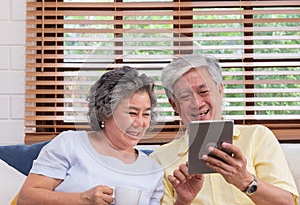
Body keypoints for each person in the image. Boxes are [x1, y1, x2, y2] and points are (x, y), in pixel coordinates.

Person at [150, 54, 299, 205]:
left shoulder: (258, 136)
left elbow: (287, 203)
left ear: (220, 91)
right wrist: (183, 201)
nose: (197, 103)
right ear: (174, 105)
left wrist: (245, 181)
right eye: (185, 96)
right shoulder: (159, 159)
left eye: (203, 92)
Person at [17, 66, 164, 205]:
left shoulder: (153, 171)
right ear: (106, 112)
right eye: (132, 113)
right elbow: (26, 198)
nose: (140, 123)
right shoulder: (70, 144)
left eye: (146, 114)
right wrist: (83, 199)